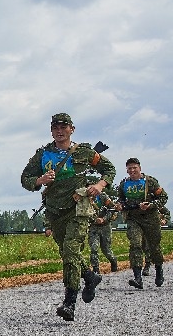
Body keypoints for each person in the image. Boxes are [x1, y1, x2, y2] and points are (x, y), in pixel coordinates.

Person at [21, 113, 116, 321]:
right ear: (51, 130)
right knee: (67, 253)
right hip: (55, 211)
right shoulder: (43, 154)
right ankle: (90, 276)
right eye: (55, 127)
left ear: (72, 129)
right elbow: (25, 179)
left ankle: (70, 302)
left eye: (63, 127)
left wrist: (99, 185)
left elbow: (109, 169)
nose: (59, 130)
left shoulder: (84, 152)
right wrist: (41, 179)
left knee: (72, 250)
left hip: (78, 209)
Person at [115, 158, 168, 289]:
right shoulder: (124, 184)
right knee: (135, 244)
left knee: (154, 246)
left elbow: (163, 197)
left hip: (151, 218)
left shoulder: (150, 182)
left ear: (140, 168)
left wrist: (151, 205)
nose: (132, 171)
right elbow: (121, 199)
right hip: (133, 218)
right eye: (129, 168)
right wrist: (120, 205)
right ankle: (138, 277)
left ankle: (159, 270)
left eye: (134, 168)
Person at [88, 191, 119, 274]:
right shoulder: (84, 198)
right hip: (93, 227)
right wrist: (93, 220)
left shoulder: (102, 196)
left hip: (105, 226)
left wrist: (104, 219)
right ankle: (95, 269)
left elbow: (113, 209)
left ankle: (113, 261)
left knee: (106, 250)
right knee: (94, 248)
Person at [142, 205, 171, 276]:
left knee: (153, 247)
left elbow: (167, 213)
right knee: (144, 245)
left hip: (154, 227)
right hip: (142, 227)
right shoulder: (139, 204)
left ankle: (151, 265)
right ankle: (146, 264)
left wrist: (165, 220)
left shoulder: (156, 204)